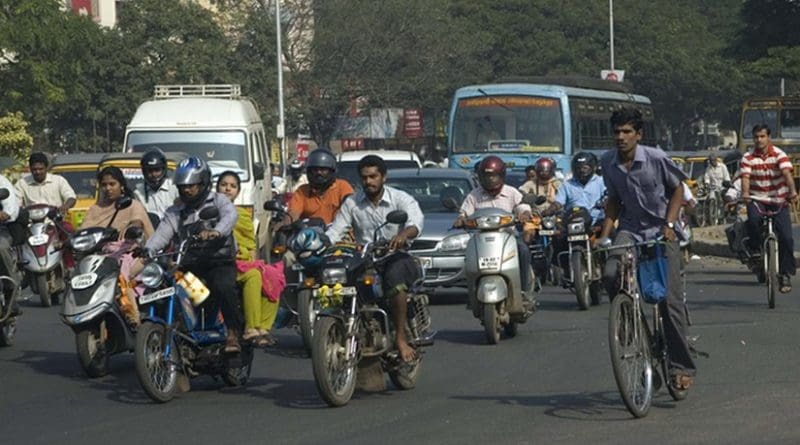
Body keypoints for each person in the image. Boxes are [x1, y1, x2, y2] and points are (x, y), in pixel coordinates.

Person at [597, 106, 696, 392]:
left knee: (669, 303)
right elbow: (614, 200)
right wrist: (605, 235)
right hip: (630, 229)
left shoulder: (655, 158)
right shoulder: (607, 163)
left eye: (627, 132)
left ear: (638, 134)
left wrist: (669, 224)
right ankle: (627, 321)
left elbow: (678, 189)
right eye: (617, 132)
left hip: (660, 231)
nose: (621, 137)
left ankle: (681, 366)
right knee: (610, 271)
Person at [325, 155, 424, 363]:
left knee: (395, 280)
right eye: (364, 177)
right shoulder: (352, 203)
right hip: (365, 259)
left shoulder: (400, 198)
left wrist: (402, 236)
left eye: (373, 176)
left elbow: (416, 223)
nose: (369, 181)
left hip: (396, 256)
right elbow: (336, 231)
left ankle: (400, 338)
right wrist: (320, 243)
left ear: (383, 177)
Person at [145, 157, 243, 352]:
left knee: (222, 286)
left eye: (192, 186)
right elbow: (162, 234)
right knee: (168, 288)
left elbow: (230, 216)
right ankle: (183, 331)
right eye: (183, 186)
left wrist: (217, 231)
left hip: (219, 262)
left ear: (204, 183)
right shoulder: (176, 211)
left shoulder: (218, 200)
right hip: (191, 265)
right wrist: (147, 249)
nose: (187, 190)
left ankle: (233, 333)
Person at [454, 155, 535, 296]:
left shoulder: (511, 192)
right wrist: (461, 219)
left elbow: (523, 207)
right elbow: (464, 213)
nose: (490, 180)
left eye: (494, 176)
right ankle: (472, 290)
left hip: (508, 236)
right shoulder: (474, 195)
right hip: (481, 239)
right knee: (467, 255)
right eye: (486, 176)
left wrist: (524, 214)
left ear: (501, 176)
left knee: (523, 250)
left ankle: (523, 290)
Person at [218, 171, 282, 347]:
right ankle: (251, 328)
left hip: (243, 261)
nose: (227, 189)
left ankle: (264, 327)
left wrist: (252, 260)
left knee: (273, 275)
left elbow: (251, 244)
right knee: (254, 276)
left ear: (238, 192)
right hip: (223, 263)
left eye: (232, 186)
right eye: (224, 185)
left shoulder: (242, 214)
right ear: (217, 188)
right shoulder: (212, 212)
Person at [740, 123, 797, 292]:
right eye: (756, 137)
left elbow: (787, 174)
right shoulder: (748, 157)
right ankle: (756, 252)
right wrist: (745, 194)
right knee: (753, 221)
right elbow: (745, 178)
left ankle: (785, 274)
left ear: (768, 137)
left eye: (762, 136)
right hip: (756, 198)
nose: (759, 140)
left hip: (779, 199)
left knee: (787, 238)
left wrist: (792, 191)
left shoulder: (779, 154)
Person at [542, 152, 606, 277]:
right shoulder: (567, 184)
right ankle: (564, 268)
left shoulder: (601, 182)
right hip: (574, 222)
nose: (581, 171)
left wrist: (605, 202)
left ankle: (610, 267)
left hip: (596, 221)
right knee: (557, 238)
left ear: (593, 168)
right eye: (578, 168)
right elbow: (559, 202)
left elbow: (609, 196)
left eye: (585, 168)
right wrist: (549, 210)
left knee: (611, 237)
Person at [279, 149, 354, 227]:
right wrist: (287, 220)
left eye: (323, 170)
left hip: (340, 235)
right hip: (309, 236)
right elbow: (294, 212)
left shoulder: (342, 186)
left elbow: (351, 206)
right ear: (309, 172)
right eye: (315, 170)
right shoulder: (302, 191)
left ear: (332, 171)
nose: (319, 173)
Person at [81, 166, 154, 239]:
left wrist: (130, 229)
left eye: (112, 184)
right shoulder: (95, 208)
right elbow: (84, 231)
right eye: (104, 185)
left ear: (121, 186)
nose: (108, 188)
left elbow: (137, 222)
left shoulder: (132, 205)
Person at [133, 148, 178, 216]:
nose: (154, 174)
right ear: (144, 172)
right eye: (150, 171)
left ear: (164, 169)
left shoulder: (175, 188)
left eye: (157, 170)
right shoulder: (138, 193)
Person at [0, 173, 21, 315]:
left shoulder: (1, 181)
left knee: (0, 247)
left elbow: (10, 209)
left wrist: (4, 213)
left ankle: (10, 292)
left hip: (1, 229)